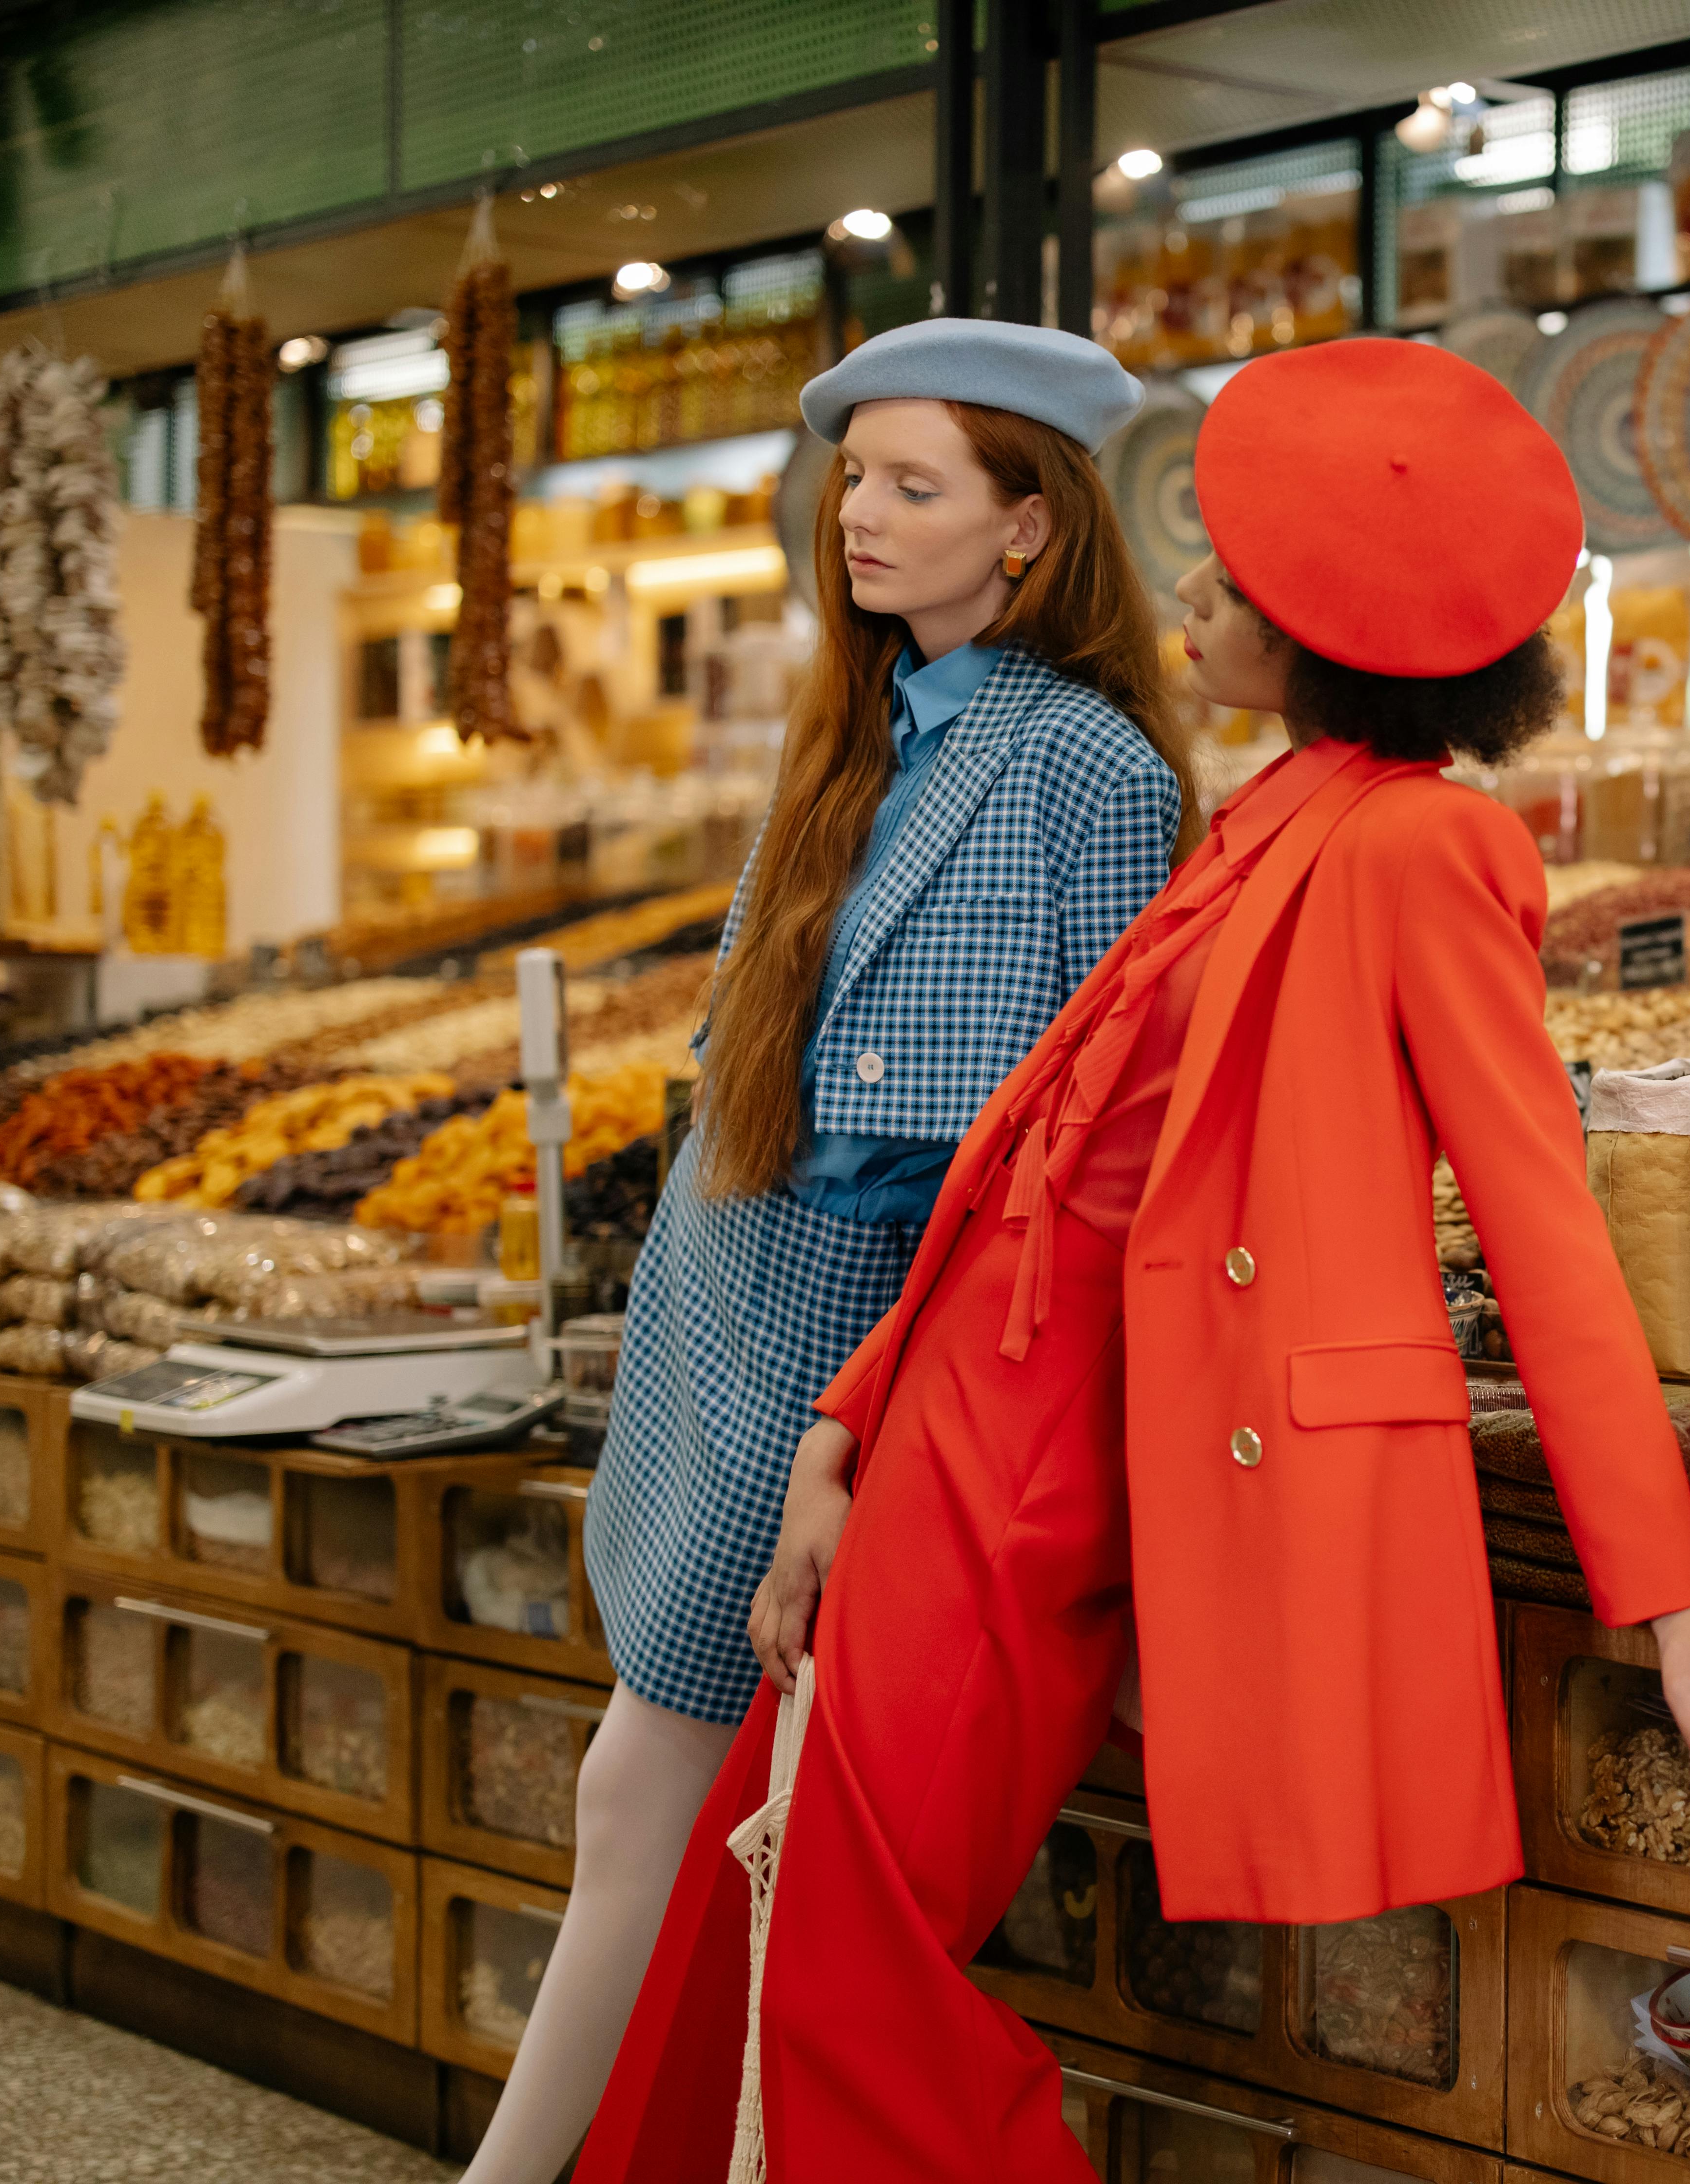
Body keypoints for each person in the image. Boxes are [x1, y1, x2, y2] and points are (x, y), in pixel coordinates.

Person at [569, 337, 1690, 2183]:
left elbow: (1541, 1226)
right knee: (767, 1910)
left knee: (835, 1953)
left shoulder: (1426, 848)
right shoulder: (1265, 811)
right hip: (954, 1428)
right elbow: (1039, 1157)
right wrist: (844, 1427)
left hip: (1053, 1472)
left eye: (1236, 573)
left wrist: (1669, 1592)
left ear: (1321, 623)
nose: (1186, 584)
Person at [461, 319, 1193, 2184]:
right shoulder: (861, 719)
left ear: (1033, 524)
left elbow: (1058, 1139)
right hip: (727, 1302)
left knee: (654, 1791)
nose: (858, 516)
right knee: (673, 1800)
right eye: (853, 478)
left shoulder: (1089, 771)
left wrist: (872, 1435)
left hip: (857, 1333)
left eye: (913, 484)